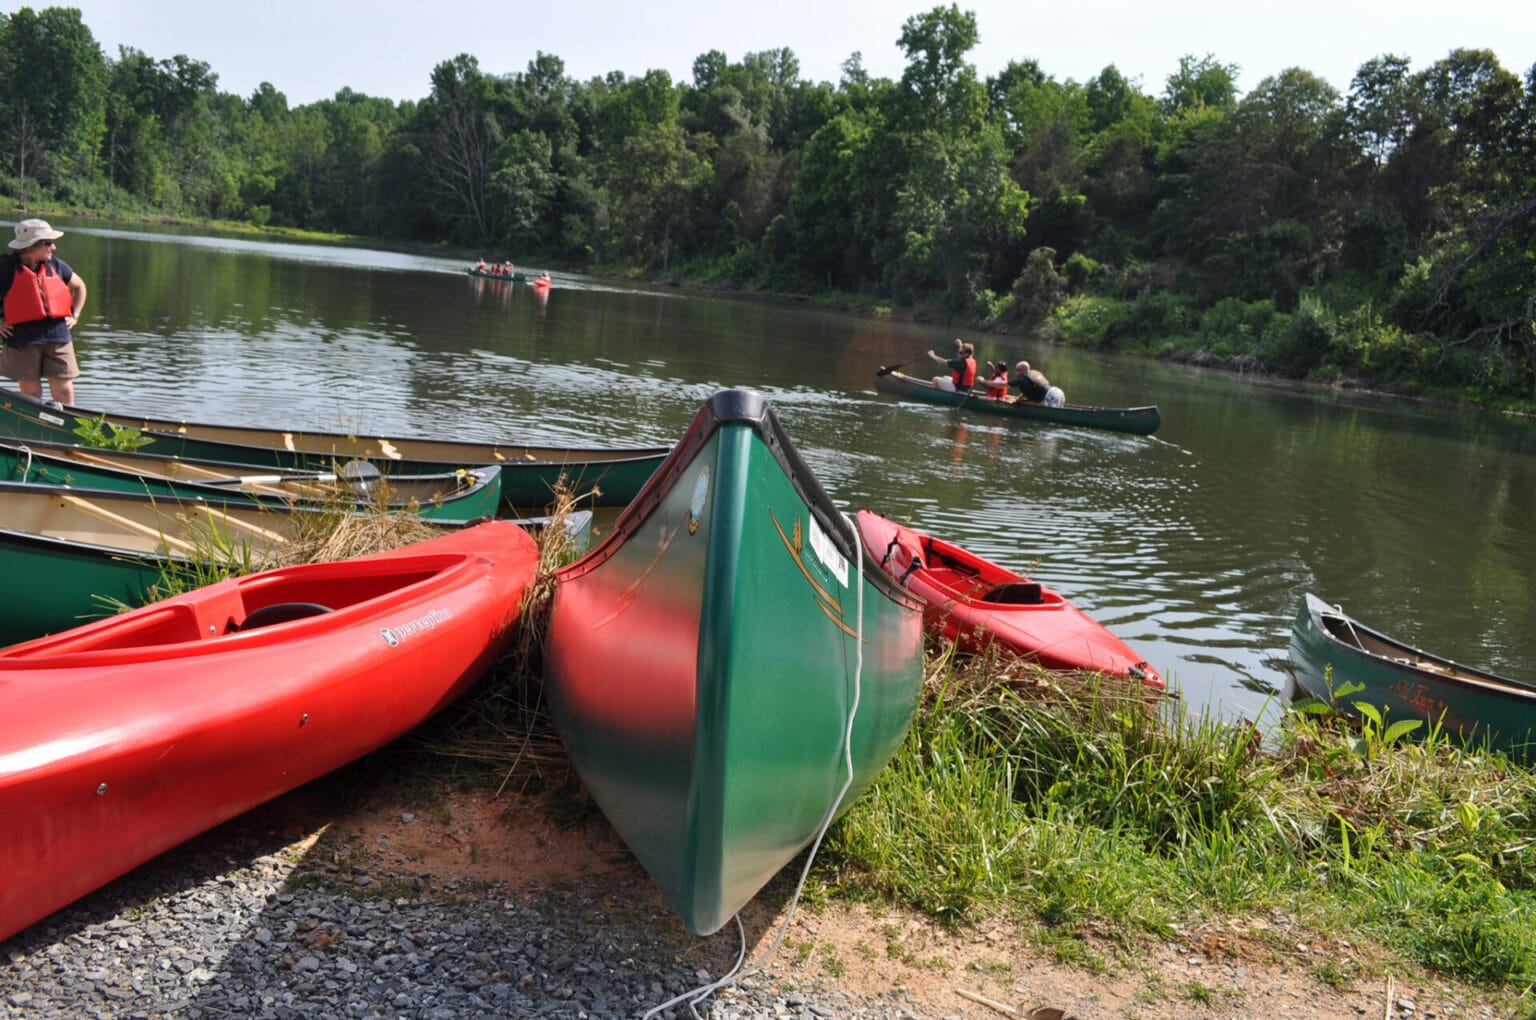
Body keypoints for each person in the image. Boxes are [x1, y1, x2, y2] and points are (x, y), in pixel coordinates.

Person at [1, 219, 87, 406]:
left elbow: (80, 287)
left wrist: (75, 315)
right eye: (49, 242)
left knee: (65, 392)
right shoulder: (5, 269)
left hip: (58, 337)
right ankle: (36, 430)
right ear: (33, 245)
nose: (53, 247)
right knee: (32, 394)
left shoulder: (56, 265)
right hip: (23, 339)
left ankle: (66, 431)